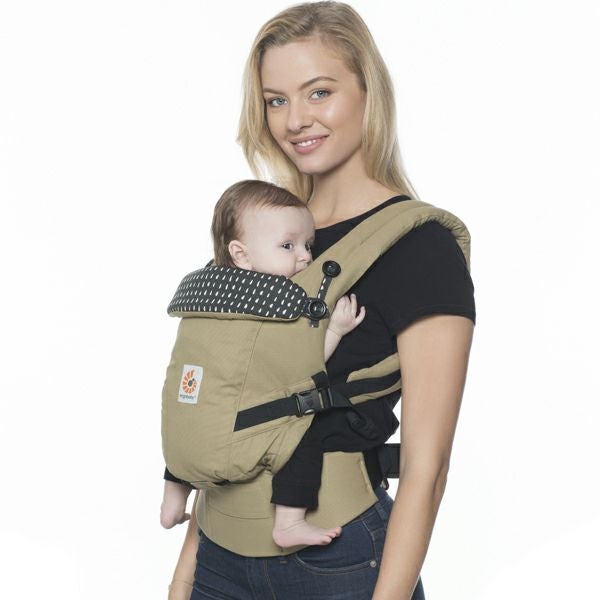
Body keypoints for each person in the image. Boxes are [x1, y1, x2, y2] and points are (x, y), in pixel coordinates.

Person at [167, 2, 475, 599]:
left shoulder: (419, 247)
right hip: (220, 554)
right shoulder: (266, 235)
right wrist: (183, 579)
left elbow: (427, 467)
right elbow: (231, 410)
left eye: (319, 92)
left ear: (368, 91)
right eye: (275, 100)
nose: (295, 120)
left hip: (338, 560)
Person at [161, 178, 373, 548]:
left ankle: (171, 502)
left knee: (194, 415)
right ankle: (289, 522)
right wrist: (336, 330)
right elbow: (301, 363)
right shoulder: (271, 305)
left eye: (308, 245)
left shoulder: (206, 298)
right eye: (288, 246)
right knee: (302, 433)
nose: (305, 257)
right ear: (241, 255)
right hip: (233, 440)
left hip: (182, 440)